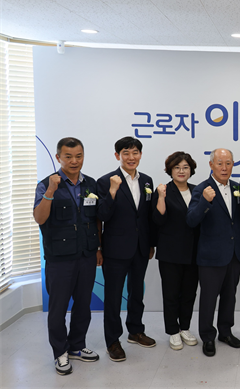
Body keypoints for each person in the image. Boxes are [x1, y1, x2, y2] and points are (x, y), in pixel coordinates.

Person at [33, 137, 102, 375]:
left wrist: (98, 248)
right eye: (68, 156)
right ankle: (60, 352)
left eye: (78, 156)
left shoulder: (91, 184)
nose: (74, 161)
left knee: (83, 305)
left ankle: (77, 346)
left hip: (86, 255)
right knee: (58, 308)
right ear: (58, 157)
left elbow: (96, 219)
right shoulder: (46, 184)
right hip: (60, 258)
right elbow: (40, 218)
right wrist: (51, 191)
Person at [97, 136, 156, 362]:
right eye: (126, 153)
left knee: (137, 292)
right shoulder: (105, 181)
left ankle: (135, 330)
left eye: (135, 152)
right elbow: (102, 215)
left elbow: (147, 217)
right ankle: (112, 341)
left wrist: (150, 244)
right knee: (113, 297)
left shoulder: (147, 181)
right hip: (115, 249)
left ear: (140, 154)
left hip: (140, 247)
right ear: (117, 156)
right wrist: (112, 192)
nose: (131, 157)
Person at [186, 148, 240, 357]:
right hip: (210, 256)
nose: (224, 167)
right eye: (220, 163)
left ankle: (225, 332)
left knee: (230, 297)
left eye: (228, 163)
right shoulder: (202, 189)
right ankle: (208, 336)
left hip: (234, 254)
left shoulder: (237, 188)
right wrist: (205, 201)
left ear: (233, 165)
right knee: (209, 299)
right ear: (211, 165)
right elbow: (191, 220)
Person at [152, 152, 199, 351]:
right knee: (171, 294)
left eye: (185, 167)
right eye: (177, 167)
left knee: (189, 293)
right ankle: (173, 330)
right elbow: (158, 220)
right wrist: (161, 197)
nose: (181, 171)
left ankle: (185, 328)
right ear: (170, 170)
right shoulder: (163, 190)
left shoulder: (197, 190)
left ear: (191, 170)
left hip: (194, 252)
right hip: (170, 252)